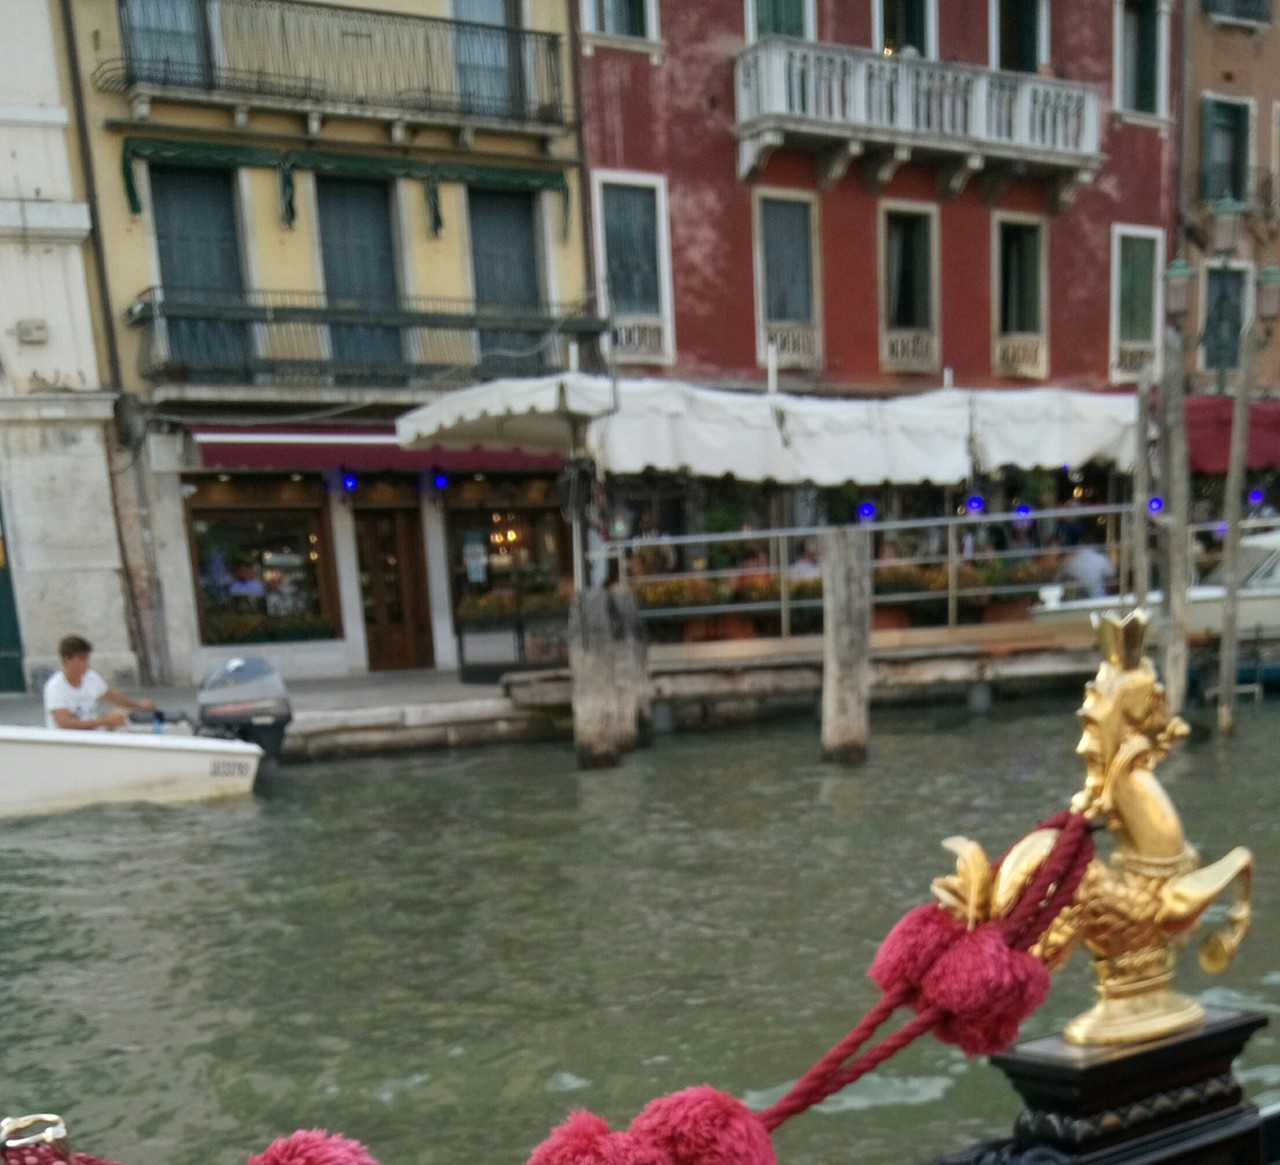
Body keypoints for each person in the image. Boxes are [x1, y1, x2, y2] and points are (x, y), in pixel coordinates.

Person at [43, 634, 156, 731]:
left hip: (94, 734)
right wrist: (105, 721)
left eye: (87, 659)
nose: (87, 664)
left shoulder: (91, 677)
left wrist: (139, 705)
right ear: (67, 659)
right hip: (68, 742)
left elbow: (113, 696)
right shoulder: (55, 687)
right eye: (82, 659)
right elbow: (64, 723)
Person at [1056, 535, 1117, 599]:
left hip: (1075, 600)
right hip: (1098, 598)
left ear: (1080, 543)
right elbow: (1112, 574)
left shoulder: (1069, 560)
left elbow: (1058, 578)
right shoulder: (1101, 558)